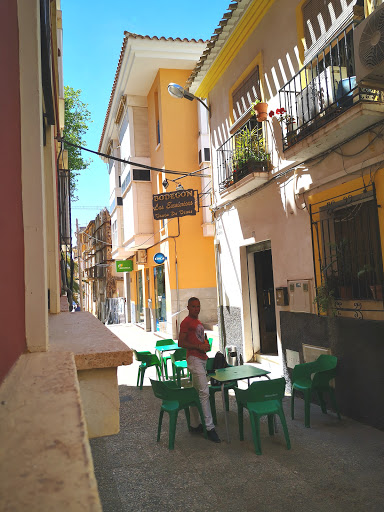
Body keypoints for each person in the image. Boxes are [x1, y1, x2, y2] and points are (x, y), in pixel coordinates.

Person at [178, 297, 221, 443]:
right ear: (188, 307)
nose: (196, 309)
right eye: (194, 306)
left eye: (198, 306)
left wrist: (205, 344)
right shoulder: (186, 322)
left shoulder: (197, 322)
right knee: (204, 392)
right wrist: (198, 347)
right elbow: (181, 342)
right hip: (194, 359)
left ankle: (195, 424)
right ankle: (210, 428)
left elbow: (200, 338)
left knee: (196, 392)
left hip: (202, 359)